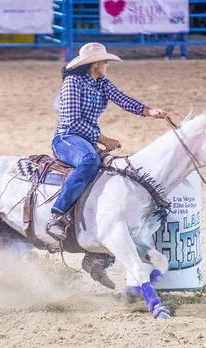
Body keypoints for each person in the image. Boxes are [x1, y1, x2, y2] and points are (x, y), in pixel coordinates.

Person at [46, 42, 166, 241]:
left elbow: (122, 99)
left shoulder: (102, 83)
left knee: (111, 168)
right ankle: (58, 214)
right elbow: (72, 121)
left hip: (86, 139)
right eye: (105, 61)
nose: (107, 65)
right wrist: (103, 139)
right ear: (94, 64)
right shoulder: (72, 83)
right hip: (66, 137)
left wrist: (148, 111)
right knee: (89, 161)